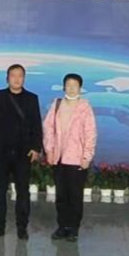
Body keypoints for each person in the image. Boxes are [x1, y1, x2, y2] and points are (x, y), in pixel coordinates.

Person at [0, 63, 42, 239]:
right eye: (13, 75)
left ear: (24, 78)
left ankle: (22, 227)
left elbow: (37, 125)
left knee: (23, 192)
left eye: (20, 75)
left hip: (24, 153)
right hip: (0, 152)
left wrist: (36, 148)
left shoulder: (32, 98)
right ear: (7, 78)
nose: (16, 79)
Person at [43, 72, 98, 242]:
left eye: (75, 85)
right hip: (58, 158)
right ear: (63, 87)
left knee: (75, 195)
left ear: (80, 88)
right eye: (68, 85)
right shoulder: (57, 104)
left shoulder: (85, 107)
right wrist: (49, 150)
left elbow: (90, 134)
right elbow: (48, 129)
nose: (71, 88)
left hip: (77, 159)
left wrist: (86, 157)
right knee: (61, 195)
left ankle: (73, 228)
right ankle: (62, 226)